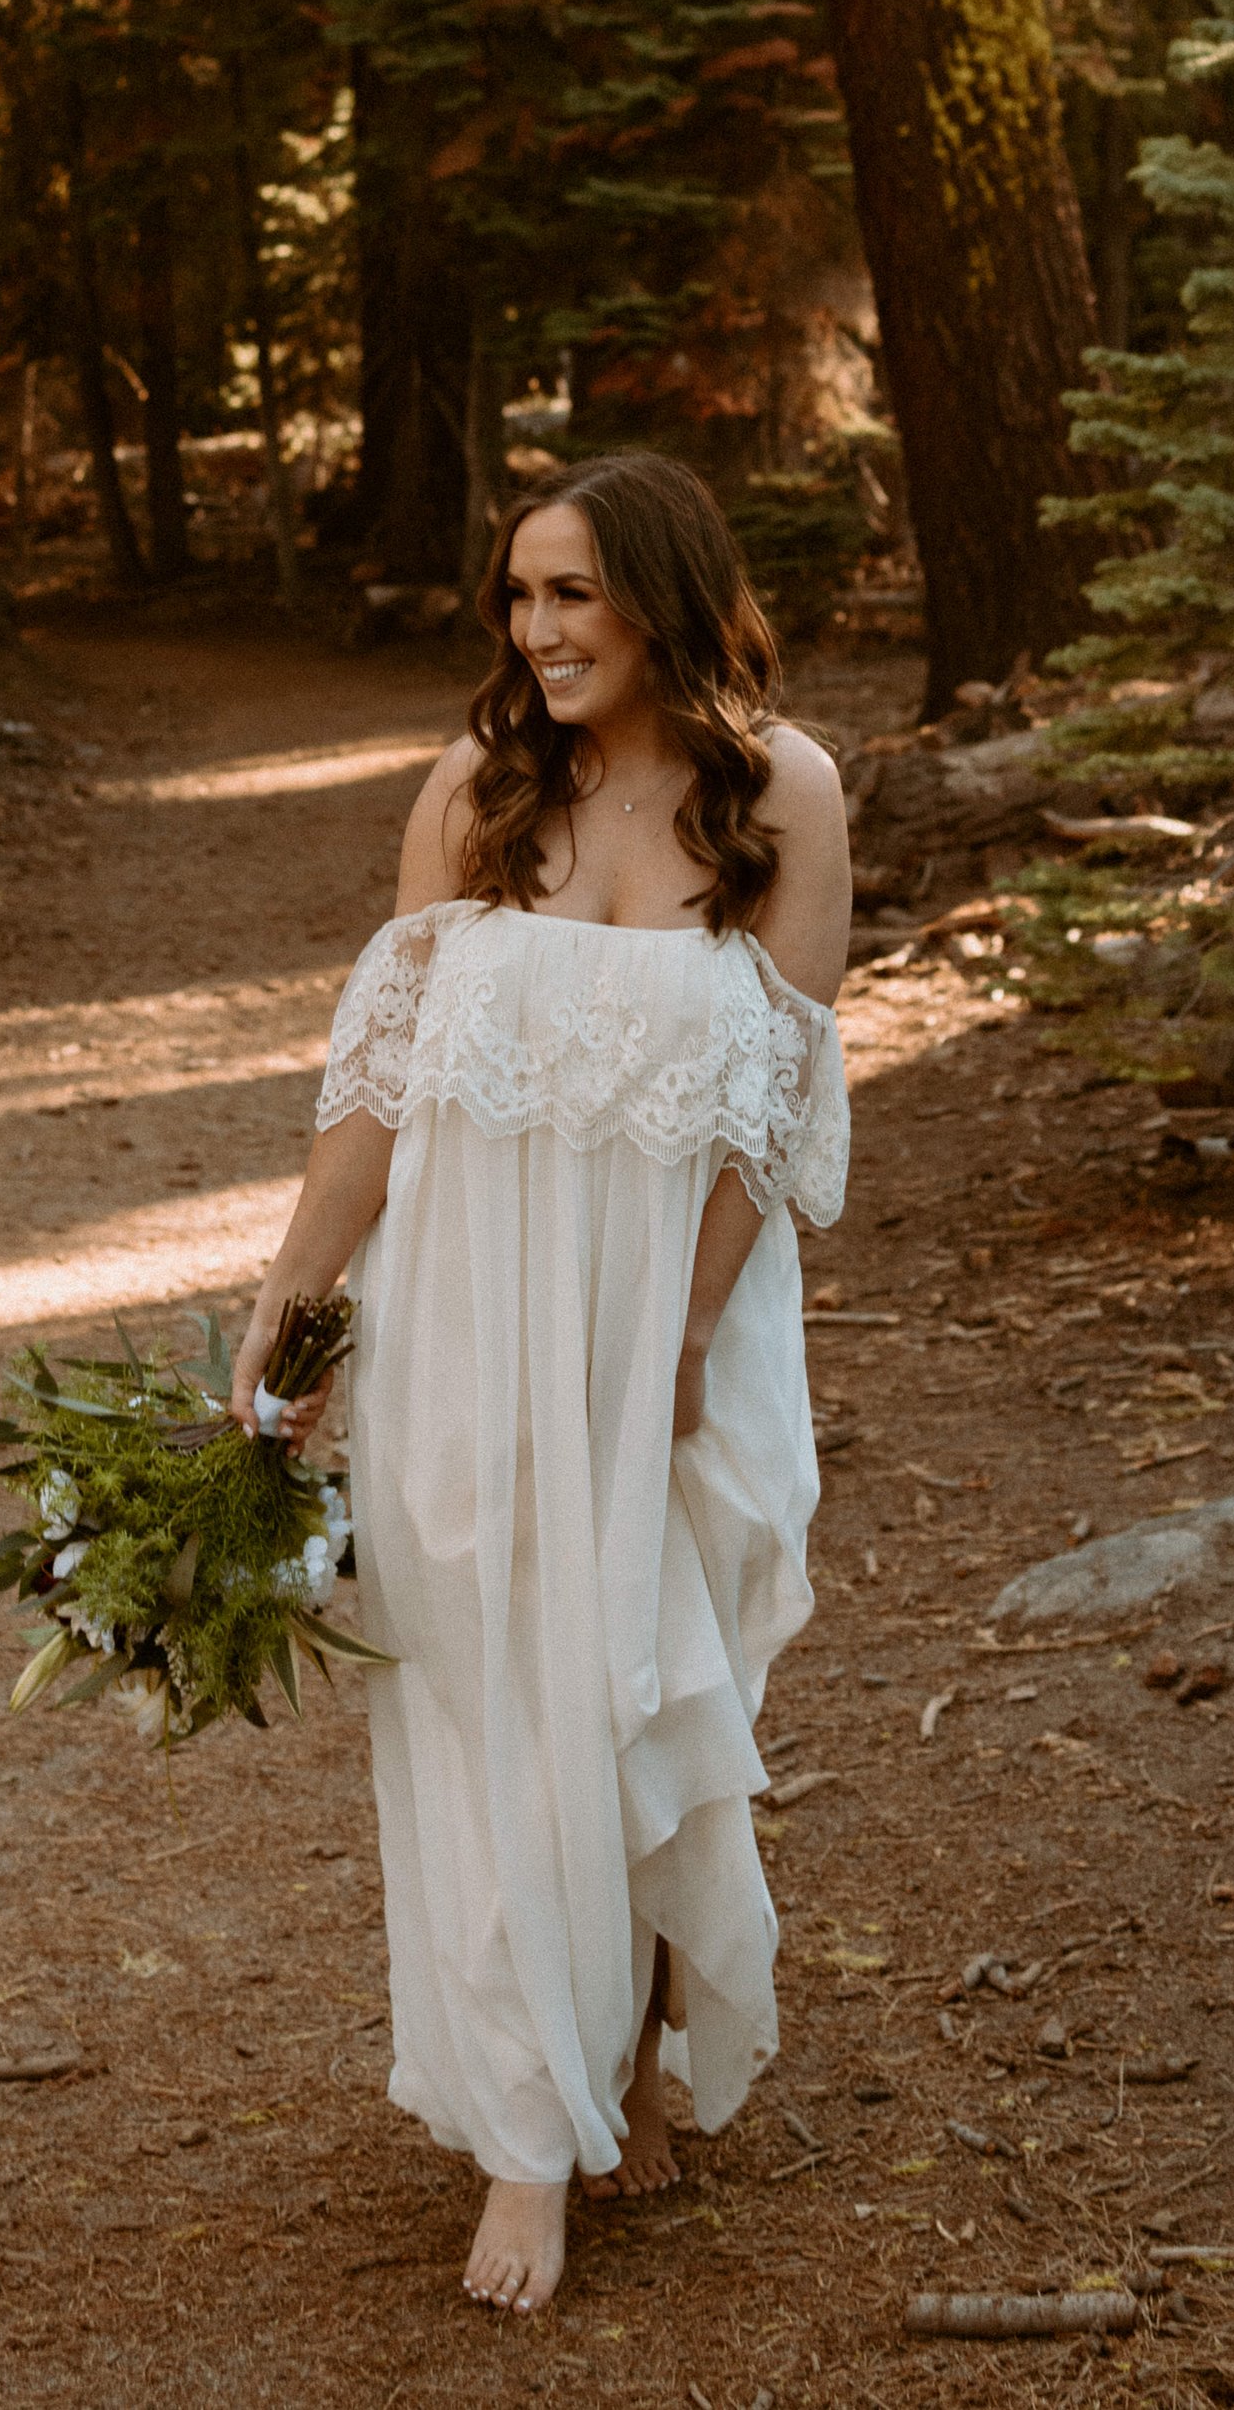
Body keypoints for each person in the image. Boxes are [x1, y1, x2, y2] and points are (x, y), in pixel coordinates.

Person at [226, 451, 851, 2317]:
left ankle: (633, 2028)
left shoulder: (784, 792)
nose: (539, 631)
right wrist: (296, 1289)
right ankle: (528, 2126)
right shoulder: (476, 795)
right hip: (471, 1307)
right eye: (519, 598)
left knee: (643, 1673)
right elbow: (381, 1087)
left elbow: (779, 1096)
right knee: (493, 1687)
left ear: (661, 591)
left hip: (674, 1312)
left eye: (573, 594)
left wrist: (680, 1330)